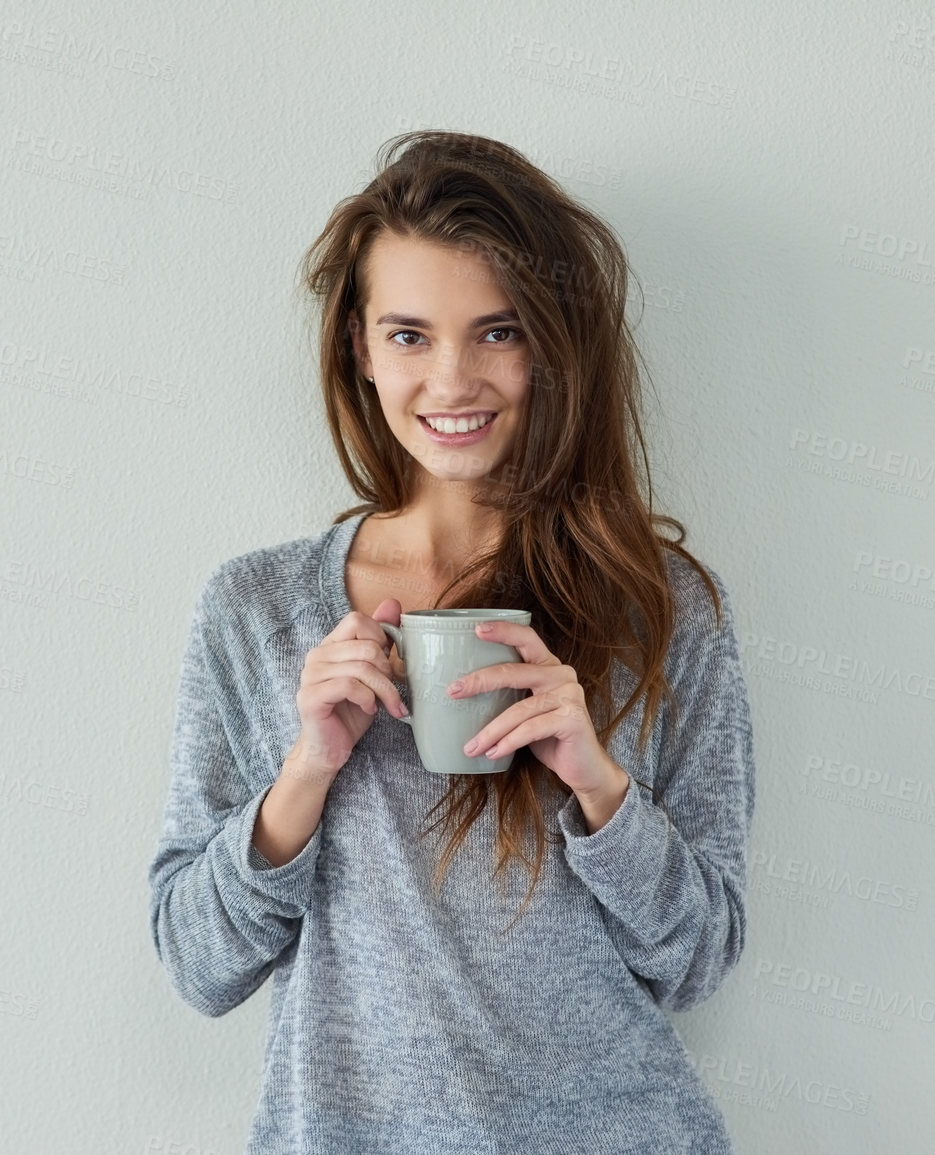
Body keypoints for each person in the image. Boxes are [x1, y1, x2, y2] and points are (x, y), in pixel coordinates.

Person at [146, 131, 756, 1154]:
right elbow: (198, 965)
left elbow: (697, 960)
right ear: (360, 348)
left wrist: (596, 785)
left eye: (500, 332)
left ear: (553, 344)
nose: (454, 380)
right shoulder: (257, 610)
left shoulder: (665, 611)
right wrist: (307, 774)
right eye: (411, 335)